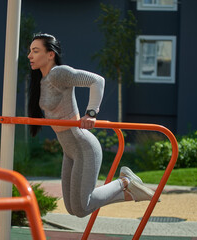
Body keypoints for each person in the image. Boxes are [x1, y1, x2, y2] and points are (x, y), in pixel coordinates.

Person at [27, 33, 157, 218]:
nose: (29, 55)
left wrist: (91, 113)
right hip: (69, 149)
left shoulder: (59, 73)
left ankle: (125, 181)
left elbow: (97, 81)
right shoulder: (42, 80)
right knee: (73, 208)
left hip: (83, 146)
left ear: (50, 54)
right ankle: (129, 191)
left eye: (35, 51)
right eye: (30, 51)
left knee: (81, 208)